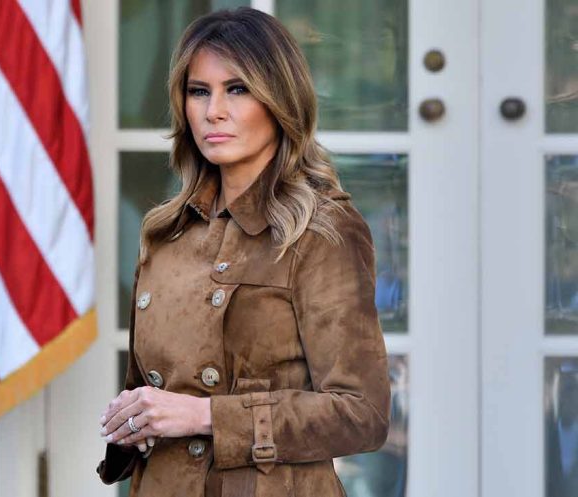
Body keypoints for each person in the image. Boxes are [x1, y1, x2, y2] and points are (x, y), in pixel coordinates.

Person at [97, 7, 391, 497]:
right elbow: (154, 393)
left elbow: (363, 414)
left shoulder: (321, 231)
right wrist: (134, 422)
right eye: (199, 91)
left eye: (238, 89)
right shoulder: (165, 233)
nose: (214, 111)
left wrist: (206, 415)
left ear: (280, 100)